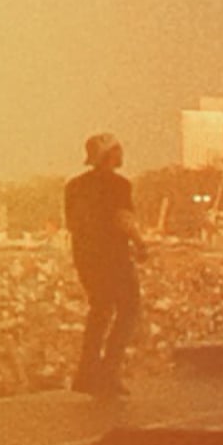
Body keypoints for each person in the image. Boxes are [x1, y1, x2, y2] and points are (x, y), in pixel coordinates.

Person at [64, 132, 146, 397]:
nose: (122, 154)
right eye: (118, 149)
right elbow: (123, 219)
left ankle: (86, 373)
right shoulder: (119, 185)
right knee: (129, 307)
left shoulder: (73, 186)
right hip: (113, 255)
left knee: (99, 309)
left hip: (85, 256)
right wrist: (140, 244)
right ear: (108, 155)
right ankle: (109, 372)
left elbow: (73, 223)